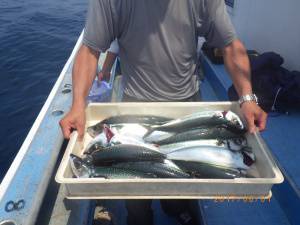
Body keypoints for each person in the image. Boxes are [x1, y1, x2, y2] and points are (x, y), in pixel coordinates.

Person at [60, 0, 268, 224]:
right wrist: (77, 105)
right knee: (135, 188)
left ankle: (175, 208)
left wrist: (247, 97)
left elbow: (230, 45)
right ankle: (139, 218)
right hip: (135, 105)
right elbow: (90, 49)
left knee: (182, 176)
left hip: (187, 106)